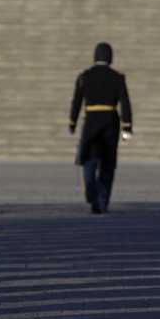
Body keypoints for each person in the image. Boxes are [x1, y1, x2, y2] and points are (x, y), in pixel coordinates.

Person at [68, 42, 132, 214]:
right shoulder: (117, 77)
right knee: (108, 163)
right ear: (110, 57)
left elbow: (77, 101)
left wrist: (72, 122)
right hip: (110, 122)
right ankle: (102, 199)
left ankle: (90, 190)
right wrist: (127, 128)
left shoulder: (85, 77)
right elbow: (125, 103)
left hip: (91, 122)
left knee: (89, 158)